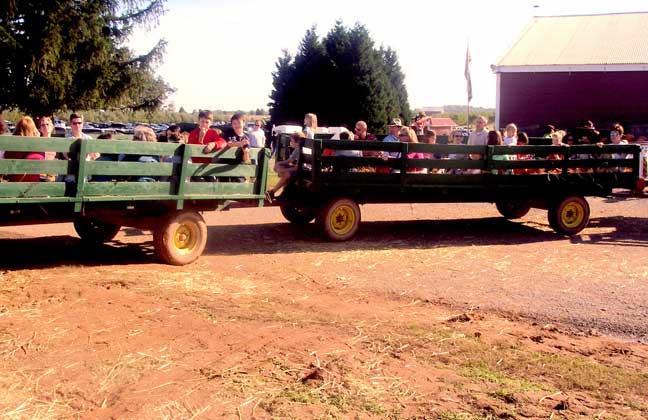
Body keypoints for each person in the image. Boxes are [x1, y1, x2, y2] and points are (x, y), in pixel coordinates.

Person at [265, 132, 305, 202]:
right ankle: (275, 193)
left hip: (303, 171)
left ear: (297, 142)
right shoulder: (297, 148)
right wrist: (278, 163)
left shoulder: (300, 149)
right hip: (299, 168)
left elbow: (298, 168)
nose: (290, 143)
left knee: (287, 174)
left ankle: (272, 192)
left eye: (292, 141)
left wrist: (283, 169)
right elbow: (289, 160)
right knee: (286, 173)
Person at [4, 116, 44, 182]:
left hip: (13, 186)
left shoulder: (11, 147)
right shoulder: (38, 150)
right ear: (33, 129)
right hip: (32, 188)